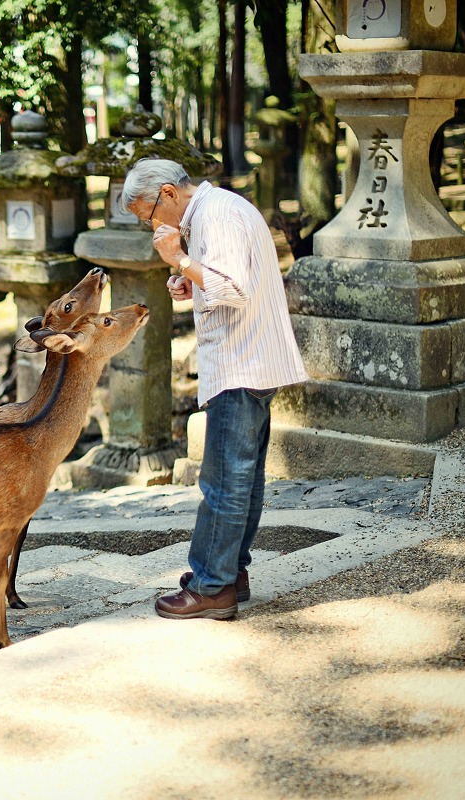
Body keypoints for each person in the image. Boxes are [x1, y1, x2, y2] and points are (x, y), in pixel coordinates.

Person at [122, 158, 308, 620]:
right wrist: (190, 280)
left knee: (224, 480)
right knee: (242, 477)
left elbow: (231, 288)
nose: (151, 225)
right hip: (250, 357)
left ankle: (213, 586)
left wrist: (180, 259)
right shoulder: (217, 209)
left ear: (167, 193)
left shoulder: (216, 215)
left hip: (240, 360)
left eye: (147, 214)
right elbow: (222, 281)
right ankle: (229, 571)